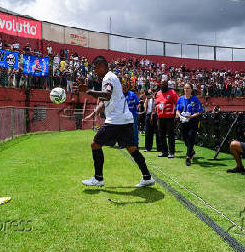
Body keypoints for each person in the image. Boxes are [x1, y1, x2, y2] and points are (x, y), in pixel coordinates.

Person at [76, 56, 155, 187]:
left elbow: (106, 94)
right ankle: (147, 177)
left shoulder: (108, 78)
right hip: (125, 119)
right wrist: (93, 113)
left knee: (95, 144)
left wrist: (88, 91)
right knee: (132, 148)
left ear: (102, 65)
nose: (94, 70)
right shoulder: (112, 77)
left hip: (115, 120)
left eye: (95, 67)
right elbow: (106, 100)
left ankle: (98, 179)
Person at [176, 83, 203, 166]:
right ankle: (192, 151)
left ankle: (188, 157)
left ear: (191, 89)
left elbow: (199, 111)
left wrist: (191, 116)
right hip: (183, 121)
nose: (186, 90)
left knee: (191, 137)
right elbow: (177, 110)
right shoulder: (180, 99)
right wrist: (180, 116)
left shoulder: (195, 99)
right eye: (185, 88)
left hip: (193, 121)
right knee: (185, 138)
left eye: (188, 88)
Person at [155, 80, 179, 158]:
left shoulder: (172, 92)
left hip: (170, 117)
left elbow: (177, 102)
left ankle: (171, 152)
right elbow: (156, 104)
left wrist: (177, 115)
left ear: (167, 84)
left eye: (164, 84)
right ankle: (164, 152)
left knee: (170, 135)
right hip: (160, 117)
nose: (163, 85)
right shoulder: (158, 93)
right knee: (161, 135)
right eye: (162, 84)